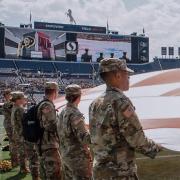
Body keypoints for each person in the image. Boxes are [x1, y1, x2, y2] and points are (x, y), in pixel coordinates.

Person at [89, 58, 162, 180]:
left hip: (100, 171)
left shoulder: (94, 104)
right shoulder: (121, 102)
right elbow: (136, 139)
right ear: (118, 75)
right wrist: (156, 147)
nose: (129, 78)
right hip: (119, 172)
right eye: (127, 74)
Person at [58, 84, 92, 180]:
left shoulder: (63, 112)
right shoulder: (75, 114)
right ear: (79, 96)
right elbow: (85, 138)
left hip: (66, 156)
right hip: (78, 160)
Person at [37, 82, 61, 180]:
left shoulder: (44, 104)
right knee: (54, 172)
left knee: (46, 172)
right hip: (49, 144)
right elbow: (51, 126)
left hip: (44, 143)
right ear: (55, 92)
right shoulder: (47, 105)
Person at [11, 91, 29, 174]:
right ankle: (23, 168)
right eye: (22, 98)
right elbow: (24, 122)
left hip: (17, 132)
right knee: (23, 152)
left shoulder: (15, 107)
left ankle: (23, 167)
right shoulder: (19, 109)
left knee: (21, 151)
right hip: (21, 133)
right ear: (18, 99)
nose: (24, 99)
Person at [2, 89, 18, 167]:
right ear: (6, 95)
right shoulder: (8, 104)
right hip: (10, 125)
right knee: (13, 142)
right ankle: (14, 160)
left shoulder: (10, 103)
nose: (11, 96)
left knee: (13, 142)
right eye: (9, 94)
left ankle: (15, 158)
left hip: (10, 124)